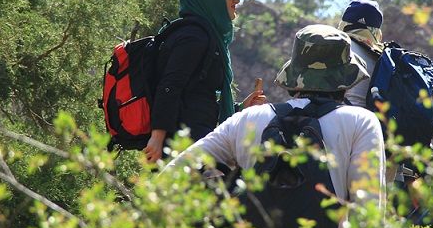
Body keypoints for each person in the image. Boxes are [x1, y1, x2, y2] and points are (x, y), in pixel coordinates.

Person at [164, 24, 387, 207]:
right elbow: (368, 213)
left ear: (294, 77)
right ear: (346, 81)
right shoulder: (361, 123)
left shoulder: (248, 119)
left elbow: (171, 176)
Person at [144, 0, 266, 162]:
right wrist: (157, 139)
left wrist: (240, 108)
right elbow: (170, 86)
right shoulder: (194, 36)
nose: (237, 1)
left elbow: (197, 99)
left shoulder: (206, 35)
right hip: (183, 149)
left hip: (194, 143)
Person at [338, 0, 384, 108]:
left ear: (343, 24)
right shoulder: (384, 57)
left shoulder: (336, 46)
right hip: (372, 122)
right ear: (377, 32)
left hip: (335, 117)